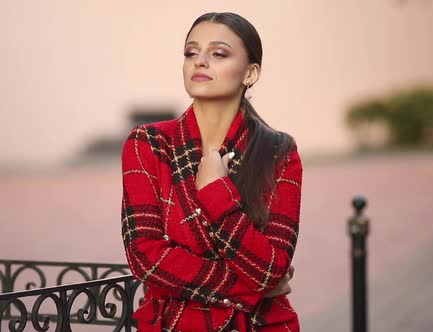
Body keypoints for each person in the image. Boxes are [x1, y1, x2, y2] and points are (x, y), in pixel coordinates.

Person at [121, 12, 302, 332]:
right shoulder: (149, 144)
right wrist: (250, 289)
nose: (199, 62)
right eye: (191, 52)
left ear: (250, 73)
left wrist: (215, 192)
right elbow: (145, 256)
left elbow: (272, 267)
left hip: (261, 326)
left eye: (218, 53)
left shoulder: (279, 152)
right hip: (173, 324)